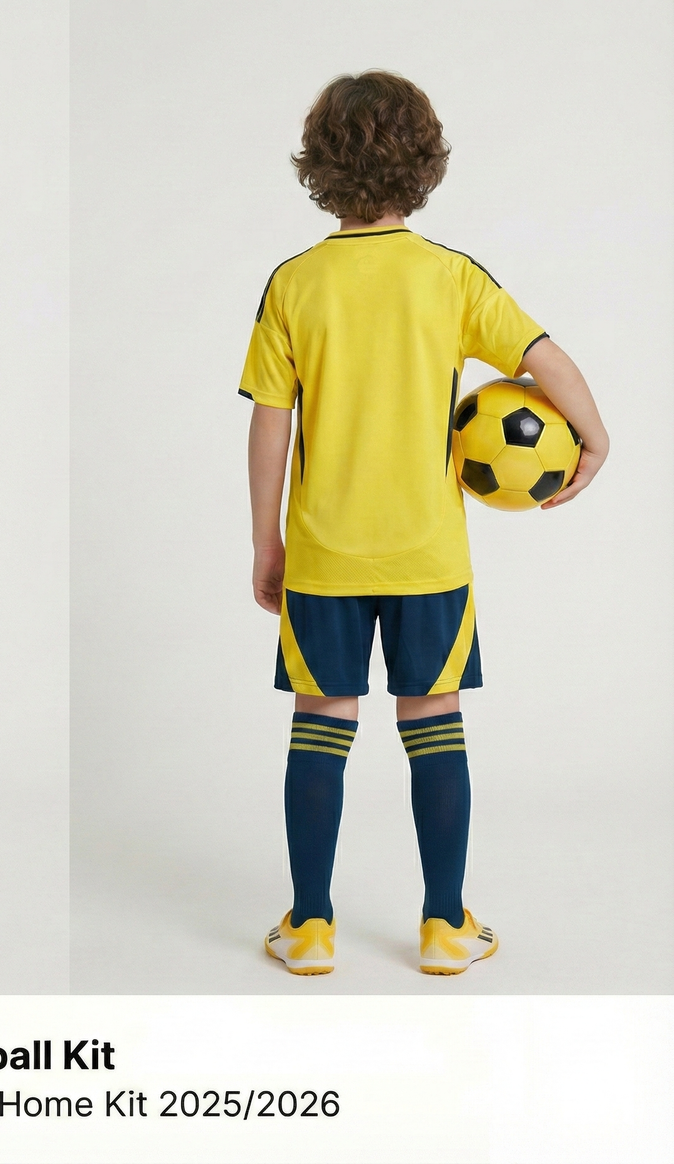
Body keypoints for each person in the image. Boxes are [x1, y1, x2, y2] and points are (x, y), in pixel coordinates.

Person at [240, 71, 607, 974]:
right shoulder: (450, 277)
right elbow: (545, 359)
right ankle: (444, 926)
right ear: (425, 164)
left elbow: (268, 423)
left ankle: (309, 927)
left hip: (323, 553)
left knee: (320, 723)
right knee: (433, 721)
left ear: (317, 165)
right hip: (427, 556)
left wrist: (266, 540)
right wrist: (593, 438)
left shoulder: (294, 283)